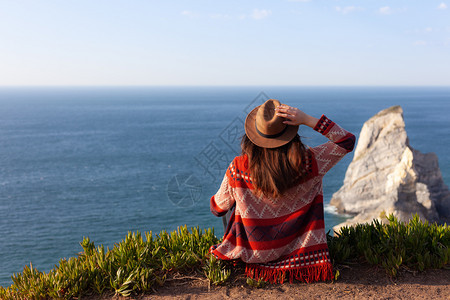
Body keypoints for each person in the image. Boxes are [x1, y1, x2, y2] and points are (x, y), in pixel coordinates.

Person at [209, 99, 355, 284]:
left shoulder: (238, 168)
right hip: (303, 258)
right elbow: (347, 141)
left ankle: (237, 251)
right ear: (292, 134)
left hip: (255, 254)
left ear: (252, 136)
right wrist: (306, 119)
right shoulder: (312, 162)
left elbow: (217, 208)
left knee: (233, 201)